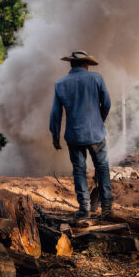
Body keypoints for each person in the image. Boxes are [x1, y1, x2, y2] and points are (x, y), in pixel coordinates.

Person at [49, 50, 112, 219]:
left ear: (71, 64)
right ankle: (106, 208)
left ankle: (84, 208)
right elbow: (106, 103)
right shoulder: (96, 78)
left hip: (74, 135)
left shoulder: (60, 84)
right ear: (86, 64)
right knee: (103, 167)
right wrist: (99, 120)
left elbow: (56, 114)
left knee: (79, 170)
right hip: (96, 134)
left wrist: (55, 136)